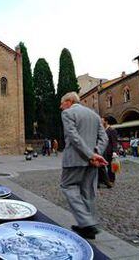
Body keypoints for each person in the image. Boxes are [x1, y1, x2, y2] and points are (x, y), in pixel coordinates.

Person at [59, 92, 108, 240]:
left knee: (67, 186)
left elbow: (74, 137)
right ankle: (88, 229)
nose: (60, 107)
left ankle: (87, 222)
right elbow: (103, 137)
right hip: (92, 161)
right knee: (88, 192)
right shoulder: (94, 115)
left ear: (69, 101)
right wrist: (96, 153)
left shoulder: (68, 113)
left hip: (75, 159)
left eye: (62, 103)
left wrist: (90, 155)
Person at [102, 116, 118, 187]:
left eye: (102, 120)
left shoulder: (111, 130)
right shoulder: (103, 130)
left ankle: (111, 180)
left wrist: (114, 151)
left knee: (110, 167)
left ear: (106, 121)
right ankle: (105, 179)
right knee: (104, 166)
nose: (101, 122)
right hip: (104, 151)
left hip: (110, 151)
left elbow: (114, 141)